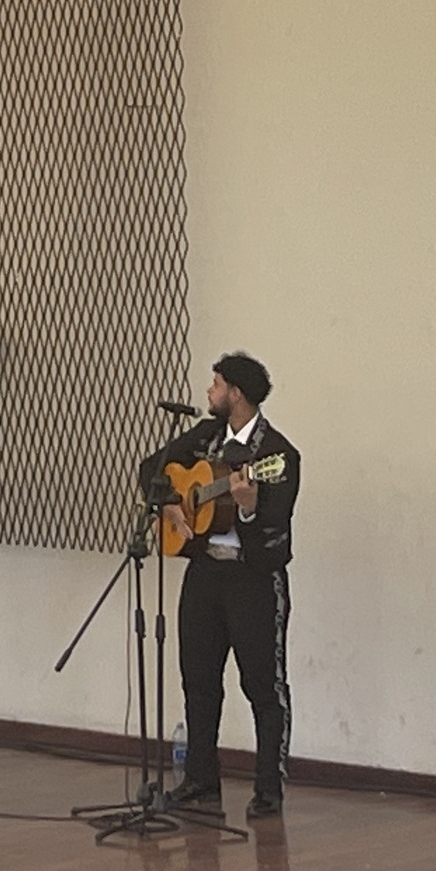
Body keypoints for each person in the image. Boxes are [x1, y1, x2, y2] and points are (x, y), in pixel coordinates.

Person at [140, 351, 300, 821]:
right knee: (199, 678)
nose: (209, 392)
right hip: (205, 573)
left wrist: (247, 507)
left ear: (236, 393)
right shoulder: (207, 436)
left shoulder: (277, 455)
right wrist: (171, 503)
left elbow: (276, 520)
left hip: (253, 579)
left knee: (263, 685)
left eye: (216, 384)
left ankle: (268, 788)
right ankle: (200, 779)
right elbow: (152, 466)